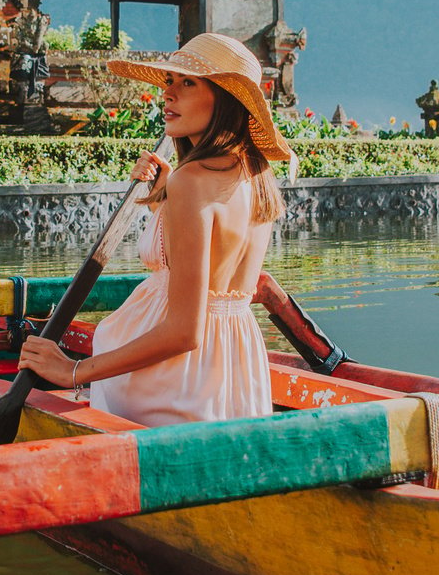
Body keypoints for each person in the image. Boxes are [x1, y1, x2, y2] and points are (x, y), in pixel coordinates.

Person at [18, 32, 289, 426]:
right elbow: (217, 258)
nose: (168, 94)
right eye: (169, 82)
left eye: (188, 82)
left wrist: (73, 371)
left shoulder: (192, 180)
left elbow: (184, 332)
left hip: (173, 381)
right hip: (232, 371)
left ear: (225, 98)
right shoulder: (256, 175)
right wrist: (164, 195)